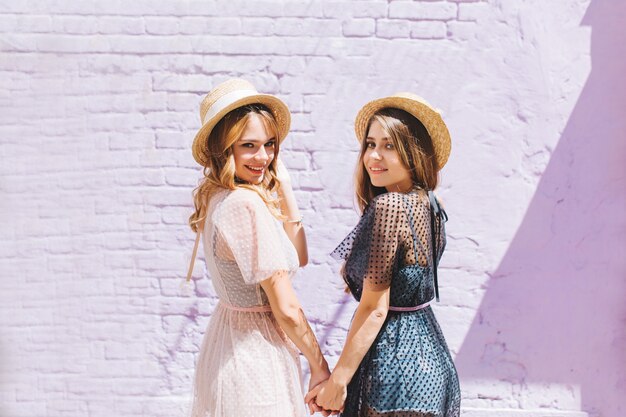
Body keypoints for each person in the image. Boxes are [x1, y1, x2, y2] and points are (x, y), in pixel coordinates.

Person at [306, 93, 461, 417]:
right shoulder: (432, 204)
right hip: (431, 364)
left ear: (413, 153)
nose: (373, 156)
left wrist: (338, 382)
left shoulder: (389, 207)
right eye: (370, 144)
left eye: (389, 146)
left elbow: (375, 309)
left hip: (395, 372)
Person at [186, 78, 330, 417]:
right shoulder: (243, 205)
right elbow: (287, 308)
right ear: (225, 148)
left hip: (233, 346)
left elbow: (299, 256)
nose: (263, 156)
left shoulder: (220, 196)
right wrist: (320, 366)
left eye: (269, 144)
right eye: (248, 145)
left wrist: (286, 188)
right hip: (255, 356)